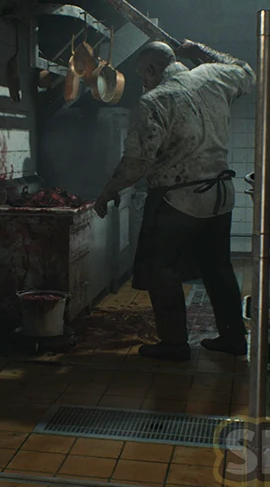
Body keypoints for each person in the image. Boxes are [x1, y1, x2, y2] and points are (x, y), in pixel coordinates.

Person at [94, 39, 255, 360]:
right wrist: (200, 51)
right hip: (221, 194)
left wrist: (110, 190)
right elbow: (246, 72)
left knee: (161, 269)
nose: (143, 82)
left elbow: (137, 160)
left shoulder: (155, 99)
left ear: (151, 69)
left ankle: (174, 344)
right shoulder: (213, 75)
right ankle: (234, 338)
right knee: (218, 267)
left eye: (142, 75)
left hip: (179, 197)